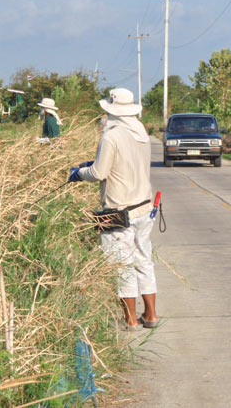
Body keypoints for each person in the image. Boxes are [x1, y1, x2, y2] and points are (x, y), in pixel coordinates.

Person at [68, 88, 157, 330]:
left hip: (118, 211)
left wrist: (78, 173)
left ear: (111, 111)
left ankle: (130, 319)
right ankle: (151, 315)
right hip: (144, 207)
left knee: (122, 265)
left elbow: (99, 173)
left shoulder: (111, 136)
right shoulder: (141, 132)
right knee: (144, 261)